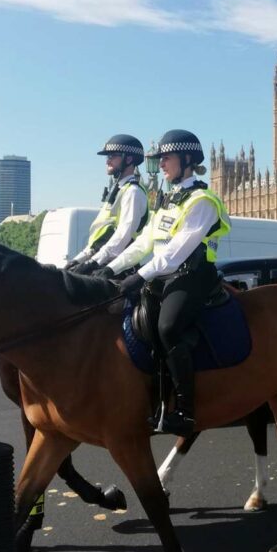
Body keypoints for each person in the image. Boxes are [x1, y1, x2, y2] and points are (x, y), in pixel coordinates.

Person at [102, 129, 231, 437]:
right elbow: (145, 243)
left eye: (166, 158)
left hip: (193, 276)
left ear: (187, 160)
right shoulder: (167, 200)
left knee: (167, 327)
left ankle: (186, 411)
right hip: (163, 275)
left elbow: (175, 254)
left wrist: (138, 276)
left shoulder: (202, 200)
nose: (161, 164)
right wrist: (107, 268)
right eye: (160, 159)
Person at [66, 135, 149, 274]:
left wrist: (93, 261)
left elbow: (124, 234)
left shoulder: (133, 192)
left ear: (128, 159)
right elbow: (100, 239)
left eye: (113, 156)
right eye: (107, 157)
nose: (108, 161)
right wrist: (78, 260)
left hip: (117, 269)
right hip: (102, 262)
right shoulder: (118, 191)